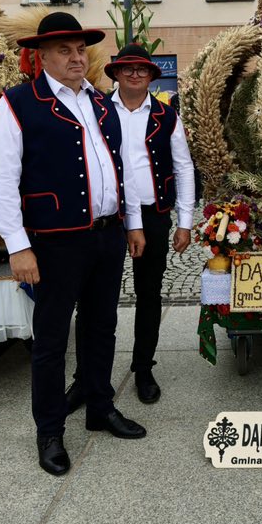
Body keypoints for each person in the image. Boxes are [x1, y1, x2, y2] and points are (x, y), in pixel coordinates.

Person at [0, 13, 147, 477]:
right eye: (64, 51)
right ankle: (50, 431)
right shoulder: (17, 104)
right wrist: (18, 246)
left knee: (102, 327)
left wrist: (132, 224)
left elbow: (120, 168)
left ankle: (99, 407)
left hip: (107, 235)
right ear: (41, 56)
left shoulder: (101, 103)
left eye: (80, 50)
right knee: (52, 339)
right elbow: (1, 181)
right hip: (55, 243)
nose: (76, 58)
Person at [66, 44, 196, 407]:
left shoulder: (166, 116)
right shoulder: (97, 109)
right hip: (106, 214)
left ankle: (143, 368)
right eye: (128, 68)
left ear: (152, 76)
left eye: (142, 69)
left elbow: (184, 168)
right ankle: (85, 378)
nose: (135, 74)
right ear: (116, 74)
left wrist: (185, 222)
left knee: (149, 292)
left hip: (153, 214)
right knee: (91, 297)